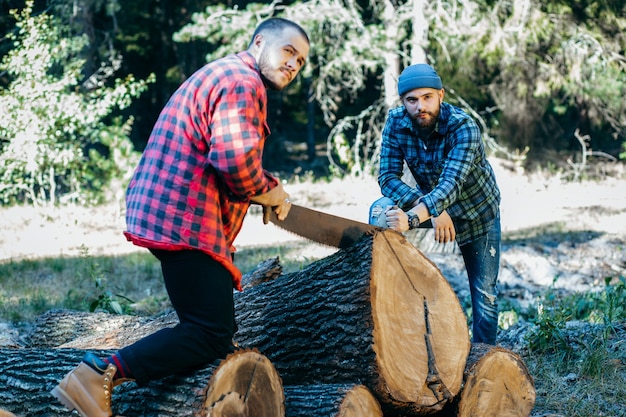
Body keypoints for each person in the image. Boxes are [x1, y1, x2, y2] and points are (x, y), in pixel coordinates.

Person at [51, 18, 310, 417]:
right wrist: (271, 190)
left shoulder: (227, 73)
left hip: (178, 211)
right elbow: (234, 161)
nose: (294, 64)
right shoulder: (243, 82)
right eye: (288, 51)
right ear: (259, 42)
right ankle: (97, 373)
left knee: (211, 332)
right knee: (210, 332)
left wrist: (264, 188)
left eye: (302, 61)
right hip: (186, 217)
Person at [369, 63, 501, 345]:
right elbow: (387, 178)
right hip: (429, 204)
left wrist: (415, 217)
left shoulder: (463, 127)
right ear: (403, 101)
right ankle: (391, 319)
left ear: (441, 95)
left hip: (476, 213)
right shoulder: (396, 122)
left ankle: (484, 358)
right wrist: (428, 207)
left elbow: (450, 186)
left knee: (485, 294)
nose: (420, 106)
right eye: (412, 100)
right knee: (380, 212)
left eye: (427, 97)